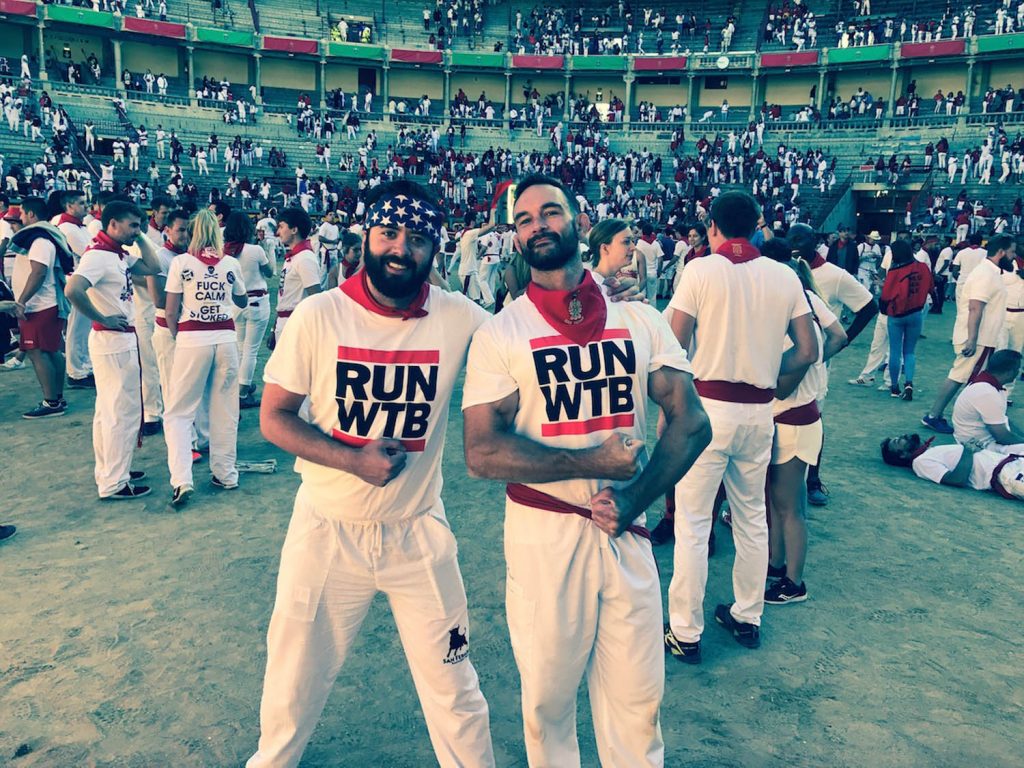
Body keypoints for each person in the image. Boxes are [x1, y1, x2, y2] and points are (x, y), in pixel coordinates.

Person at [462, 174, 711, 765]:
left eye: (550, 213)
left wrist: (635, 498)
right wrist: (589, 461)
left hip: (627, 528)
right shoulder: (502, 332)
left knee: (637, 701)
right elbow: (481, 451)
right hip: (543, 533)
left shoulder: (640, 321)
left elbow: (692, 422)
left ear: (578, 222)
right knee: (547, 701)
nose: (538, 225)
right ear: (515, 237)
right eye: (524, 220)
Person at [247, 181, 495, 768]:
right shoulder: (319, 314)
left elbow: (529, 341)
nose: (400, 249)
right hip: (327, 530)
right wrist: (352, 459)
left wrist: (602, 300)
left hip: (418, 532)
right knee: (292, 679)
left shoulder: (460, 317)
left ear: (435, 249)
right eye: (389, 233)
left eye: (417, 239)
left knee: (455, 688)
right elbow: (274, 419)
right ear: (366, 234)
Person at [664, 191, 818, 663]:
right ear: (757, 226)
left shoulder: (700, 269)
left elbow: (673, 343)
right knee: (752, 516)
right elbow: (809, 349)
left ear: (713, 227)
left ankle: (685, 632)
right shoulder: (783, 275)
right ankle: (748, 615)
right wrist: (771, 376)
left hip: (710, 405)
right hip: (759, 412)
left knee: (693, 521)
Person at [760, 238, 847, 605]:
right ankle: (777, 567)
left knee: (789, 507)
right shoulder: (807, 305)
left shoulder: (788, 322)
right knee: (778, 504)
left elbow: (782, 387)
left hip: (792, 418)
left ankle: (794, 582)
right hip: (799, 416)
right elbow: (839, 335)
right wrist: (818, 360)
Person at [64, 200, 162, 500]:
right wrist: (101, 316)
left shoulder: (115, 253)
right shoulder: (99, 256)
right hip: (112, 338)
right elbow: (73, 290)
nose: (137, 230)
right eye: (132, 225)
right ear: (113, 224)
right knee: (122, 411)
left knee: (110, 411)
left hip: (116, 339)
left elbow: (154, 267)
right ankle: (114, 482)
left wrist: (140, 236)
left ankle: (112, 470)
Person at [163, 209, 248, 506]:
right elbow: (242, 299)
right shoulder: (230, 263)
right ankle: (226, 473)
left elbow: (171, 310)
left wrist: (179, 336)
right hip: (224, 337)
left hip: (192, 338)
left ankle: (182, 479)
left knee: (179, 412)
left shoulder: (181, 263)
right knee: (225, 409)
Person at [790, 223, 877, 506]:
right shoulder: (780, 271)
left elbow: (869, 306)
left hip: (816, 364)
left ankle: (812, 480)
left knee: (813, 421)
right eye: (791, 239)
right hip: (781, 363)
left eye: (801, 239)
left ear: (814, 242)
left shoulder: (834, 276)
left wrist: (841, 342)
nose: (795, 244)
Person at [923, 234, 1016, 433]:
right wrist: (972, 340)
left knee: (968, 379)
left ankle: (948, 416)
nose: (1014, 256)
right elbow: (976, 307)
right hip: (978, 338)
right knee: (959, 376)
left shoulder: (991, 272)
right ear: (1001, 252)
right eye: (1012, 252)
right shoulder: (985, 273)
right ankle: (933, 415)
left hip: (983, 338)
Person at [7, 197, 74, 418]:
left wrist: (22, 301)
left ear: (32, 215)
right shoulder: (43, 238)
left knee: (38, 352)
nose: (21, 219)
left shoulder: (40, 241)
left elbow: (38, 272)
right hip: (44, 304)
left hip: (40, 305)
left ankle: (51, 402)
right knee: (50, 350)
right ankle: (56, 398)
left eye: (23, 214)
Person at [224, 212, 274, 409]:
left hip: (236, 301)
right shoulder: (254, 250)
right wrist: (268, 249)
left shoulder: (224, 251)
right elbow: (270, 272)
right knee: (251, 350)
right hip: (256, 300)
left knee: (240, 346)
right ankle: (243, 391)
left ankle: (240, 384)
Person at [880, 432, 1024, 500]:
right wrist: (968, 450)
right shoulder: (920, 462)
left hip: (1012, 463)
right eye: (899, 441)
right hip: (1005, 475)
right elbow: (956, 480)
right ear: (902, 455)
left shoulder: (929, 452)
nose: (904, 436)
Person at [880, 239, 933, 401]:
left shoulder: (895, 271)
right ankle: (909, 383)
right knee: (909, 352)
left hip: (896, 315)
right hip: (916, 313)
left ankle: (894, 387)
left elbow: (886, 295)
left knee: (895, 352)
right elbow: (930, 287)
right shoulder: (923, 267)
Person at [56, 190, 95, 390]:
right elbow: (88, 251)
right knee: (77, 327)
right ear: (69, 206)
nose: (86, 206)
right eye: (81, 203)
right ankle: (76, 371)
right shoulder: (68, 228)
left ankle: (83, 367)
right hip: (76, 279)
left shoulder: (79, 226)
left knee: (83, 327)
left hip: (84, 278)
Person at [951, 350, 1024, 453]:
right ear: (1009, 372)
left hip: (984, 441)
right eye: (1018, 369)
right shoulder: (987, 392)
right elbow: (1002, 436)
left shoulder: (992, 386)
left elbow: (1004, 421)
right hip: (978, 447)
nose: (1019, 372)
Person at [272, 207, 320, 346]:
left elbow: (315, 296)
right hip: (285, 320)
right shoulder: (294, 257)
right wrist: (274, 327)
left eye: (281, 227)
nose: (278, 232)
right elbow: (285, 296)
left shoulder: (305, 258)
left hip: (295, 322)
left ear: (294, 230)